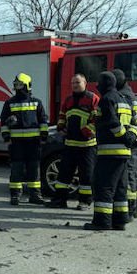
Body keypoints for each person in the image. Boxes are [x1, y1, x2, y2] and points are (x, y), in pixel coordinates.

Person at [84, 71, 137, 231]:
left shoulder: (106, 100)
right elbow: (135, 122)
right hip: (124, 153)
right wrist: (131, 138)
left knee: (104, 187)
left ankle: (102, 222)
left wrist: (124, 137)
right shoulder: (124, 99)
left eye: (99, 83)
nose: (97, 86)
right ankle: (120, 221)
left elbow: (112, 123)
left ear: (104, 84)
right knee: (120, 188)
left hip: (109, 152)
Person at [47, 74, 99, 210]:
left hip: (87, 145)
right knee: (64, 174)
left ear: (85, 83)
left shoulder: (92, 99)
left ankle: (85, 202)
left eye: (77, 82)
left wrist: (86, 132)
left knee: (86, 175)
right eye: (73, 83)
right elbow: (62, 115)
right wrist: (61, 127)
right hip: (70, 144)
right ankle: (59, 200)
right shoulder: (68, 100)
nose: (75, 85)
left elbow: (97, 119)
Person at [0, 73, 49, 206]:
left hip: (33, 143)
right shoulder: (9, 103)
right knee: (16, 169)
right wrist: (6, 137)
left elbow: (43, 121)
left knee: (34, 169)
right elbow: (3, 122)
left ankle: (35, 195)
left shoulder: (36, 102)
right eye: (16, 85)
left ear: (27, 85)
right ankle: (15, 196)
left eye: (20, 84)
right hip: (16, 144)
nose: (17, 87)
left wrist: (43, 137)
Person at [112, 69, 137, 219]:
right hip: (133, 139)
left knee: (129, 175)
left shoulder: (123, 96)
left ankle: (131, 208)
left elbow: (128, 119)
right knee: (133, 174)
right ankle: (136, 205)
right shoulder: (131, 94)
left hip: (127, 141)